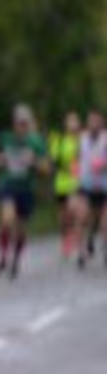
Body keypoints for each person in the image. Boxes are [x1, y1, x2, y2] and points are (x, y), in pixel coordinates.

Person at [0, 104, 49, 278]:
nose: (22, 127)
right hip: (8, 185)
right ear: (14, 124)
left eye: (25, 123)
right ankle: (3, 255)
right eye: (19, 123)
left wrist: (34, 162)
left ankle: (15, 260)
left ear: (30, 124)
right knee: (7, 220)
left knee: (21, 229)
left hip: (27, 189)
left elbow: (46, 168)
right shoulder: (6, 138)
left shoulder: (36, 142)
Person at [73, 109, 107, 269]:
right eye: (91, 121)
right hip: (85, 185)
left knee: (103, 222)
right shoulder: (82, 139)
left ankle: (103, 246)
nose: (93, 124)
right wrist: (75, 175)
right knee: (81, 217)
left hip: (104, 186)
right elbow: (75, 158)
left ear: (101, 123)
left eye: (96, 121)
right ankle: (81, 252)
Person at [48, 111, 82, 258]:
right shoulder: (59, 140)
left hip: (78, 182)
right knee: (63, 217)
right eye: (70, 121)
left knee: (73, 209)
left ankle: (74, 236)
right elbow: (53, 161)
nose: (73, 124)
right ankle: (65, 237)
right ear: (65, 124)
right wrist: (65, 167)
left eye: (75, 121)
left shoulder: (82, 140)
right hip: (61, 182)